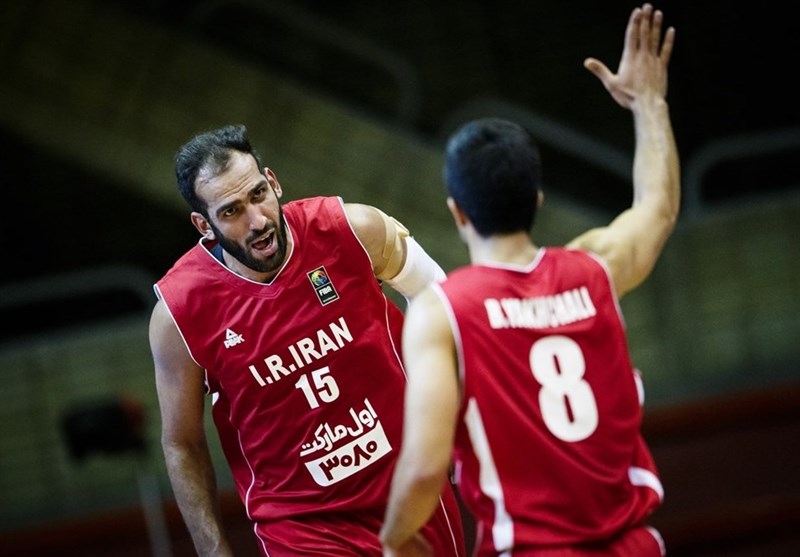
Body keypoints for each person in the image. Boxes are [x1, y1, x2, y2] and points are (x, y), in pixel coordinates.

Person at [380, 4, 678, 557]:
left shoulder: (443, 313)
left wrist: (394, 540)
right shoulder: (597, 268)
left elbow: (423, 467)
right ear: (537, 199)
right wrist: (649, 104)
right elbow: (657, 208)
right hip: (634, 545)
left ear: (457, 212)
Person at [148, 124, 465, 556]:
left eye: (259, 194)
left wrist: (448, 419)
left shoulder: (353, 229)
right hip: (300, 527)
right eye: (232, 211)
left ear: (273, 182)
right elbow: (181, 443)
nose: (257, 221)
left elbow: (443, 303)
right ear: (204, 225)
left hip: (408, 485)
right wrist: (212, 551)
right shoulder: (179, 314)